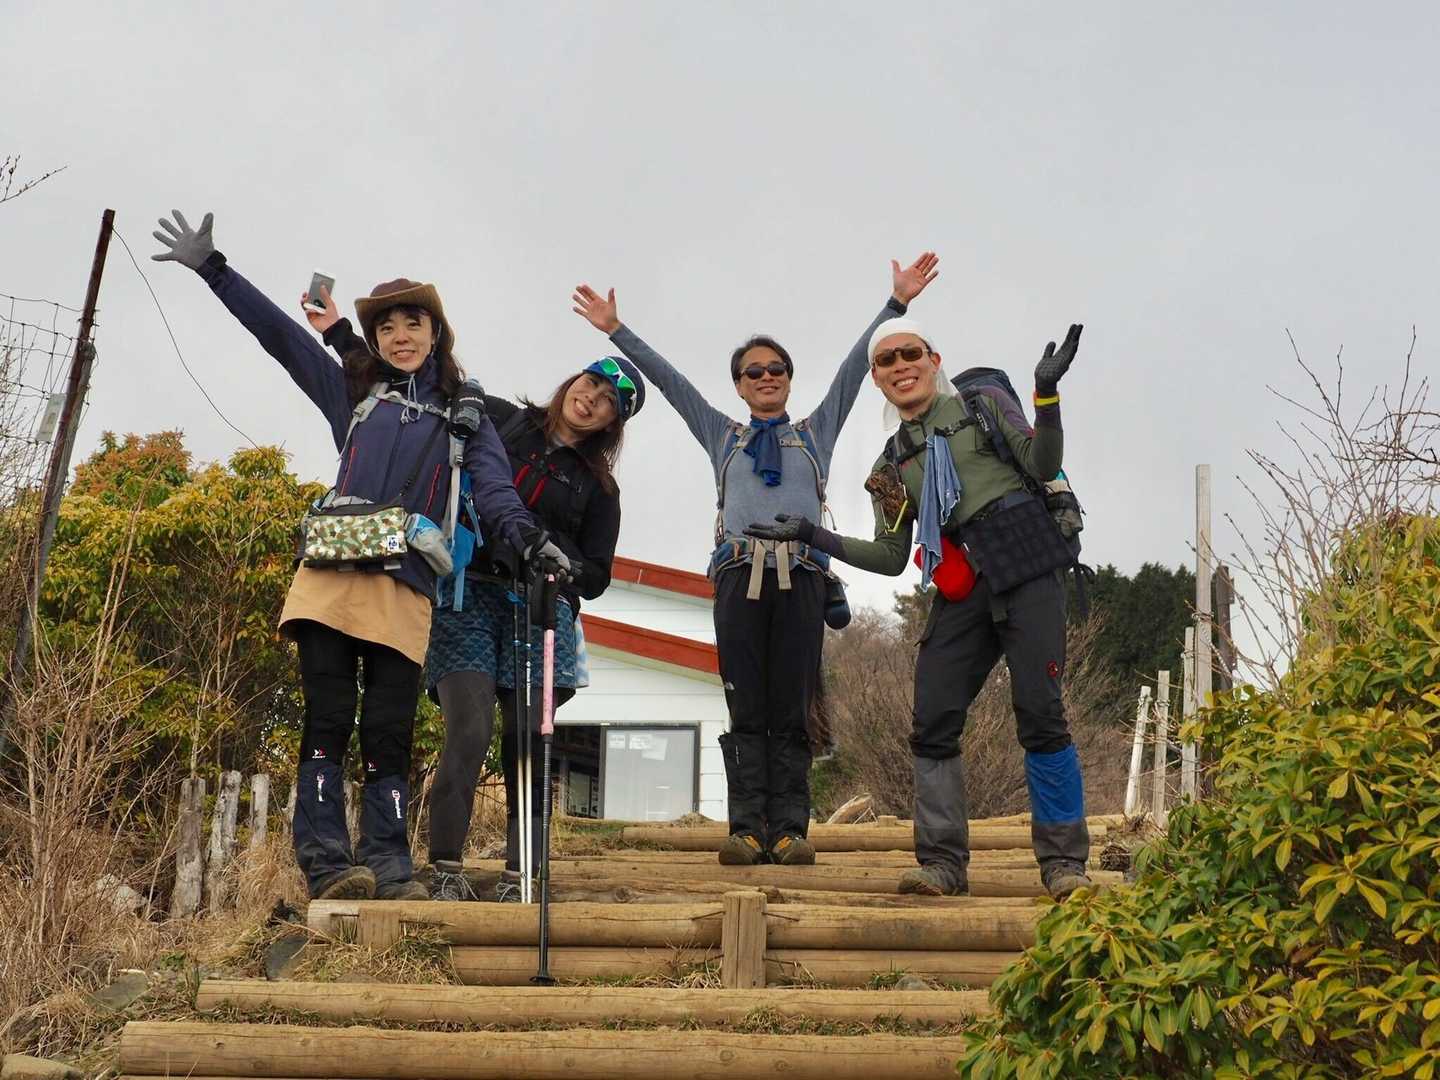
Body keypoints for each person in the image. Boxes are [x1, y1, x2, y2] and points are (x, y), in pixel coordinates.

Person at [151, 209, 561, 901]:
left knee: (388, 730)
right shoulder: (357, 396)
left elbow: (497, 494)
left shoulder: (465, 420)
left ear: (436, 334)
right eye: (387, 327)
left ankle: (390, 867)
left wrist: (529, 540)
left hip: (405, 583)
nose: (401, 336)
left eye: (413, 324)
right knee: (328, 719)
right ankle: (329, 866)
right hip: (331, 576)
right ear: (375, 339)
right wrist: (215, 271)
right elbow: (283, 340)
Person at [571, 254, 938, 866]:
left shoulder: (814, 435)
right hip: (739, 576)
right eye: (753, 372)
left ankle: (790, 830)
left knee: (792, 704)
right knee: (744, 701)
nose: (766, 377)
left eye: (776, 369)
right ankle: (745, 830)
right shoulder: (724, 436)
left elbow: (854, 369)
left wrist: (895, 304)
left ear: (789, 380)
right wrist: (616, 330)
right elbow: (670, 382)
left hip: (803, 577)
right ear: (739, 386)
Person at [745, 316, 1093, 899]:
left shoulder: (983, 406)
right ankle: (942, 865)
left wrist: (1046, 395)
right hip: (965, 583)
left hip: (1030, 565)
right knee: (932, 718)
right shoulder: (890, 465)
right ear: (876, 380)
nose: (900, 366)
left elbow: (1041, 464)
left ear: (934, 360)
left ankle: (1064, 865)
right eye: (886, 361)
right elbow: (889, 555)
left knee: (1041, 714)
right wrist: (811, 534)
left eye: (910, 353)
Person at [313, 300, 645, 901]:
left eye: (607, 402)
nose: (591, 399)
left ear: (612, 424)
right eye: (590, 383)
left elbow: (597, 575)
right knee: (468, 728)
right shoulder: (501, 419)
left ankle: (523, 874)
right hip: (467, 593)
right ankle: (446, 867)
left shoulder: (601, 489)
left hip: (539, 609)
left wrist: (560, 565)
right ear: (573, 381)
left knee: (525, 738)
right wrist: (338, 333)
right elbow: (425, 377)